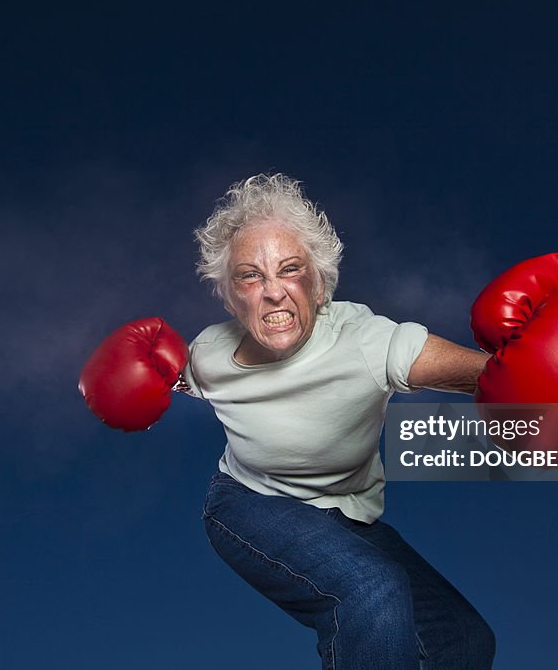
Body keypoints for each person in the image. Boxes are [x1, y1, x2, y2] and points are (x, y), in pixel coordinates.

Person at [181, 173, 496, 670]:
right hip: (247, 503)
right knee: (370, 590)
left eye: (289, 270)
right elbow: (172, 379)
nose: (272, 292)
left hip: (347, 518)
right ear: (229, 296)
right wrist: (138, 385)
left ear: (320, 283)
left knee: (462, 638)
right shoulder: (207, 351)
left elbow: (489, 377)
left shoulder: (367, 343)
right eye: (250, 276)